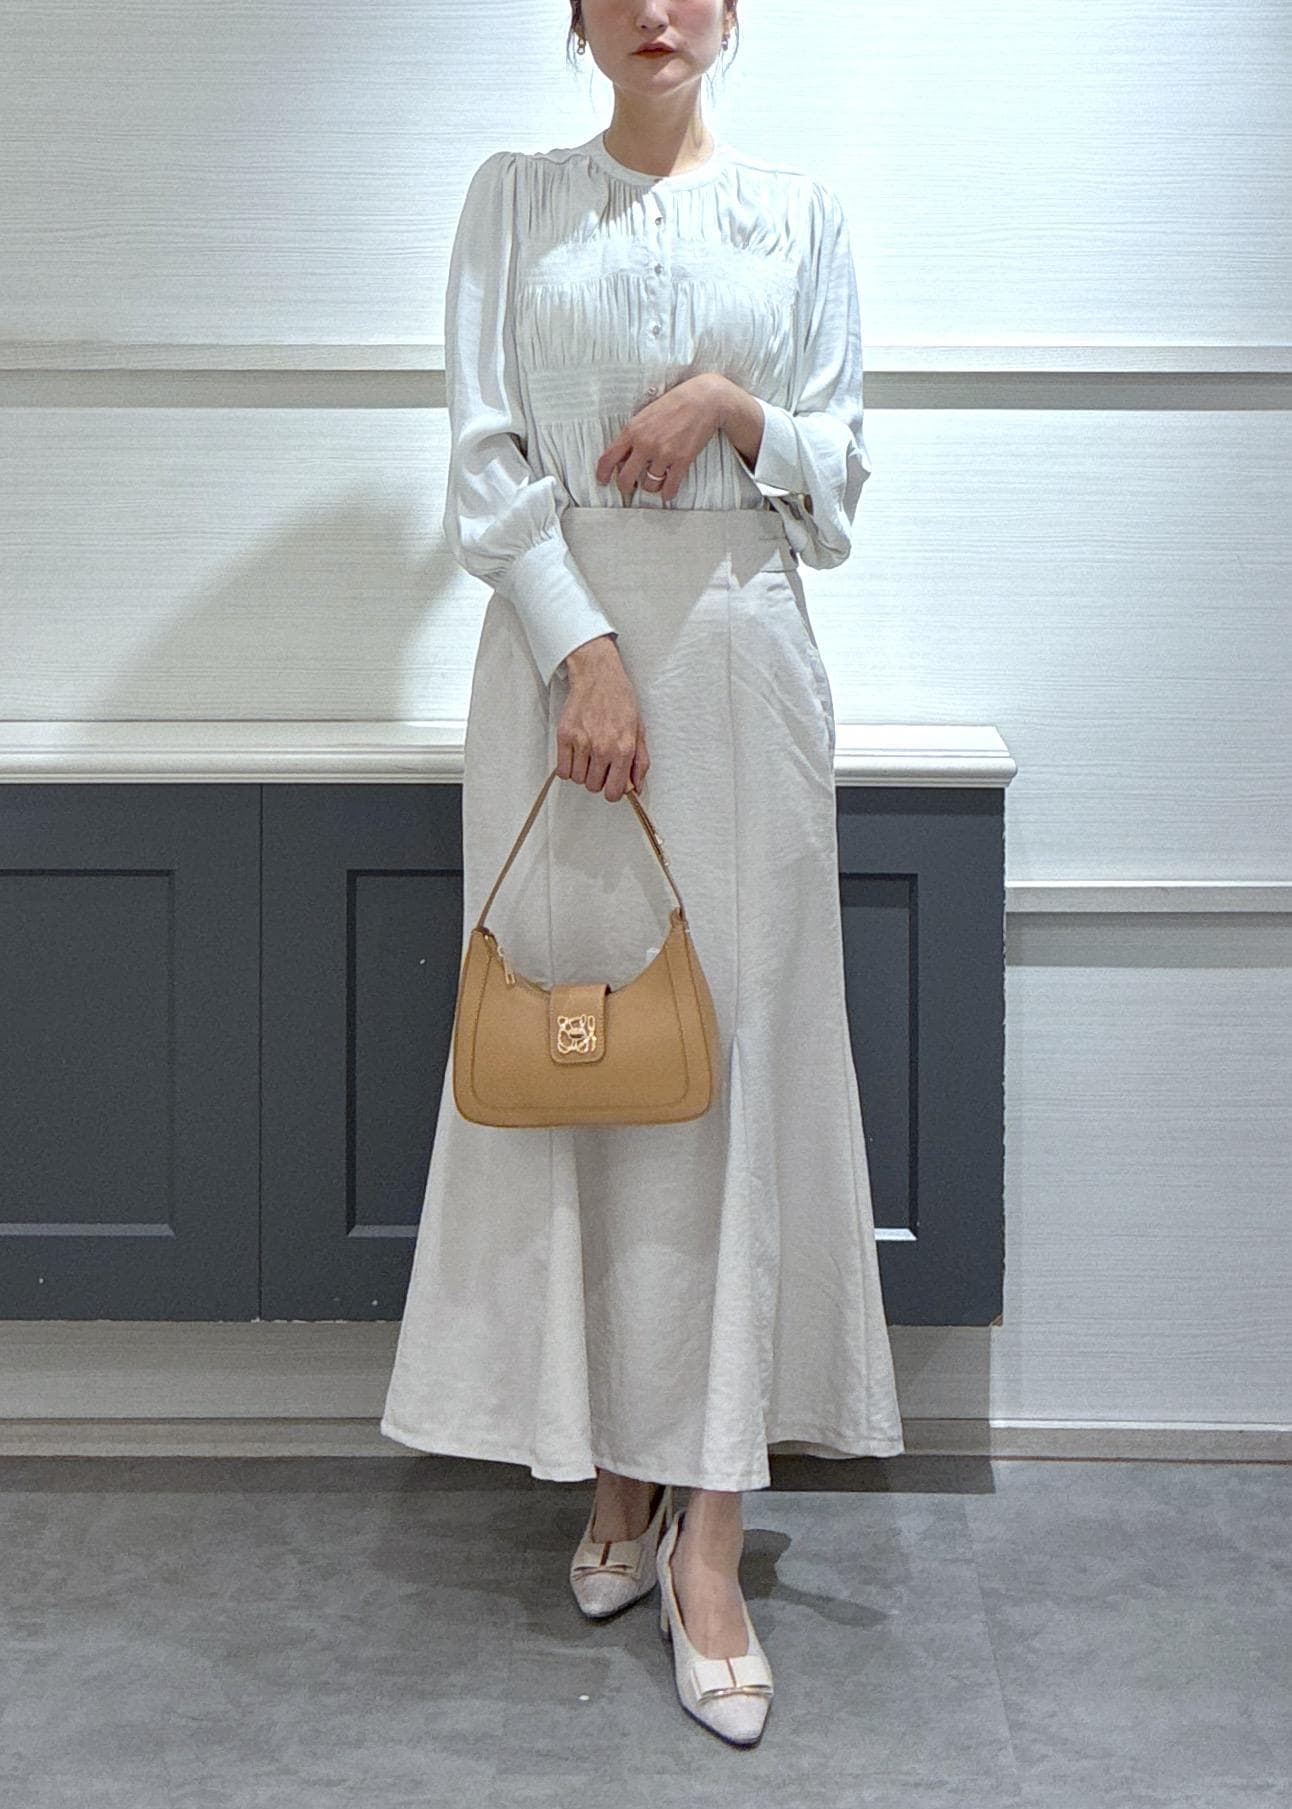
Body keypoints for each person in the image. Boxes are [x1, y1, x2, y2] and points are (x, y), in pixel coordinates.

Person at [381, 0, 904, 1746]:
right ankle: (614, 1466)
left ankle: (712, 1538)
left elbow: (840, 485)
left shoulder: (802, 216)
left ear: (733, 12)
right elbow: (485, 460)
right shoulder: (513, 201)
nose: (657, 13)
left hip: (744, 666)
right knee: (585, 1059)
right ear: (578, 17)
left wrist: (734, 407)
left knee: (731, 1076)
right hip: (560, 677)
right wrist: (579, 648)